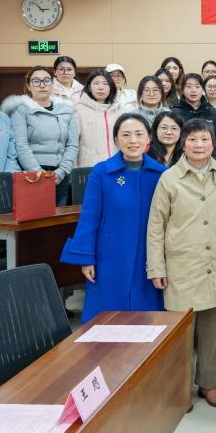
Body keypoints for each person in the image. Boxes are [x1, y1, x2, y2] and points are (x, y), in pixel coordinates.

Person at [147, 118, 216, 408]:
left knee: (213, 329)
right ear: (183, 143)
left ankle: (209, 383)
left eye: (205, 139)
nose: (199, 145)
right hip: (182, 264)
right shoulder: (169, 178)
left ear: (213, 144)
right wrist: (156, 267)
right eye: (192, 139)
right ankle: (181, 387)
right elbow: (156, 226)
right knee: (182, 332)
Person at [60, 113, 165, 323]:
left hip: (148, 255)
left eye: (139, 134)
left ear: (149, 139)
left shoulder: (161, 173)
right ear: (116, 139)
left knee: (147, 320)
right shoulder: (102, 172)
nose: (133, 140)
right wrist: (86, 258)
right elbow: (89, 217)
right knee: (106, 319)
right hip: (109, 255)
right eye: (126, 135)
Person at [6, 66, 79, 205]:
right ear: (29, 86)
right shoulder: (21, 110)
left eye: (46, 80)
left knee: (60, 217)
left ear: (52, 84)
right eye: (36, 81)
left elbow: (72, 145)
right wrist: (38, 173)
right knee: (35, 216)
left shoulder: (66, 110)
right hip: (32, 175)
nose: (42, 85)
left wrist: (62, 171)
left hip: (60, 175)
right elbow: (21, 145)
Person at [172, 73, 216, 164]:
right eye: (189, 86)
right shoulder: (174, 113)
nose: (193, 90)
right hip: (182, 163)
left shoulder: (214, 113)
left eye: (197, 87)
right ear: (182, 89)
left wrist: (210, 161)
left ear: (203, 89)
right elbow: (173, 142)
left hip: (211, 163)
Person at [75, 69, 123, 168]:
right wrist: (74, 169)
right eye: (96, 83)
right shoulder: (79, 110)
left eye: (105, 83)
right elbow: (72, 143)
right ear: (89, 87)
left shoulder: (119, 111)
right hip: (89, 168)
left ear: (111, 87)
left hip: (115, 167)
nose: (101, 87)